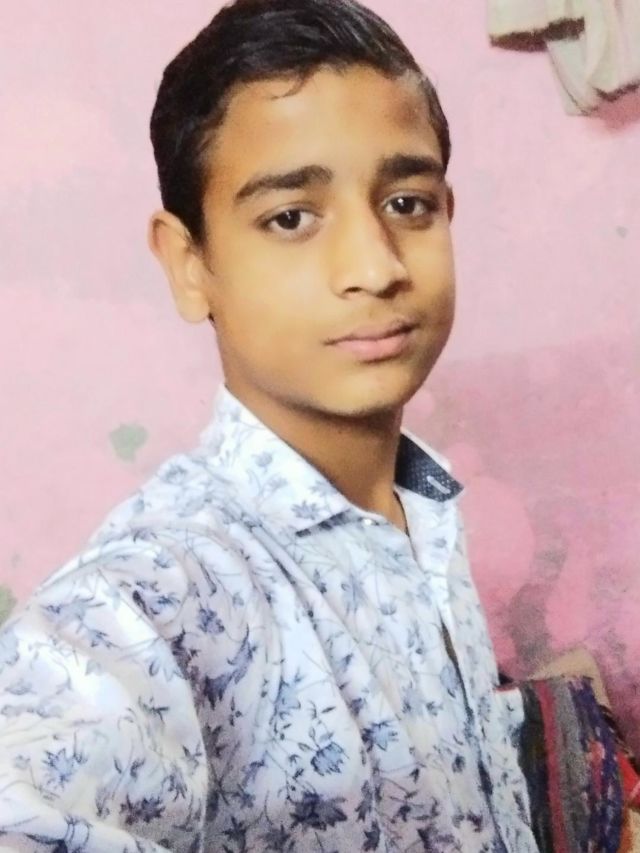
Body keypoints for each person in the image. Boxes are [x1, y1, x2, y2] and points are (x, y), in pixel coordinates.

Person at [0, 1, 636, 851]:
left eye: (407, 203)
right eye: (292, 217)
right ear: (189, 264)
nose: (376, 265)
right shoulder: (165, 588)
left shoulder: (421, 502)